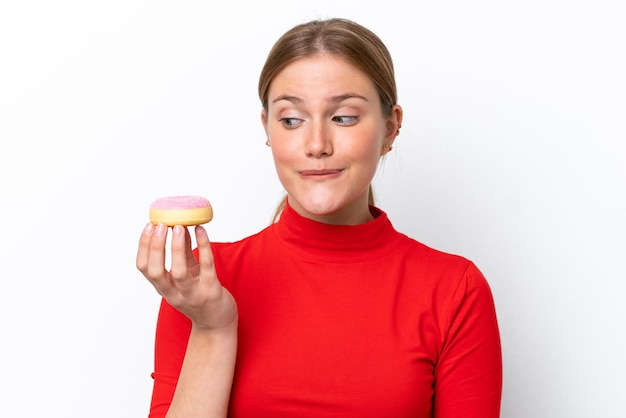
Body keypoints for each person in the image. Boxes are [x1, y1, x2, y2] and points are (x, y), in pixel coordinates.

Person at [136, 17, 502, 418]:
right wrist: (212, 328)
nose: (316, 145)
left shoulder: (454, 290)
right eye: (291, 120)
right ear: (268, 130)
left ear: (391, 128)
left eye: (343, 117)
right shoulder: (201, 285)